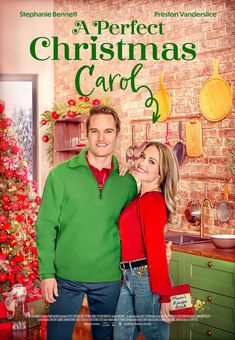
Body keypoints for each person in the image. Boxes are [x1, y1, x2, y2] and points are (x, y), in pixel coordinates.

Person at [36, 105, 172, 340]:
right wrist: (46, 273)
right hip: (65, 278)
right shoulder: (60, 175)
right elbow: (46, 225)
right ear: (86, 133)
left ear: (116, 135)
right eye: (95, 131)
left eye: (108, 131)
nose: (101, 138)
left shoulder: (127, 183)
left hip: (109, 280)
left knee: (108, 337)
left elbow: (138, 228)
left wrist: (158, 252)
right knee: (56, 336)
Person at [114, 141, 179, 340]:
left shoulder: (151, 201)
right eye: (143, 156)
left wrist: (165, 297)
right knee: (121, 335)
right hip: (130, 276)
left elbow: (156, 251)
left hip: (146, 279)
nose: (142, 162)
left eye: (152, 162)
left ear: (161, 173)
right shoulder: (139, 198)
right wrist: (121, 167)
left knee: (155, 336)